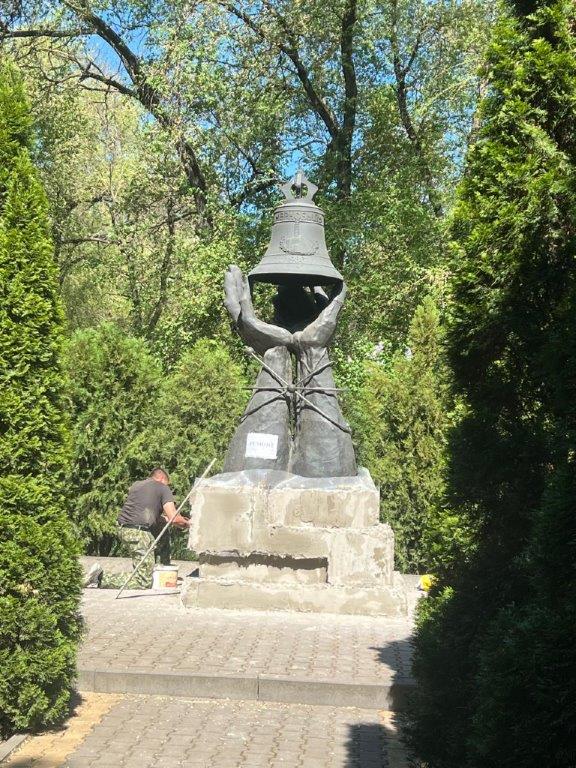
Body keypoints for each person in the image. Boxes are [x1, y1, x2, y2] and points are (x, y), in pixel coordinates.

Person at [84, 468, 190, 589]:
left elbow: (148, 515)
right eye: (167, 484)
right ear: (161, 479)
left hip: (124, 529)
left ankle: (162, 572)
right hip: (139, 533)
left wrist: (168, 520)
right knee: (143, 581)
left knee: (162, 530)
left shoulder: (137, 486)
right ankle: (99, 579)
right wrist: (189, 524)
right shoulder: (162, 487)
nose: (168, 487)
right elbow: (174, 518)